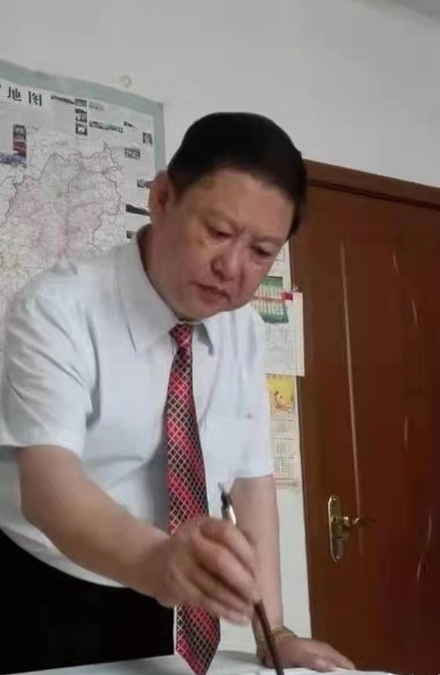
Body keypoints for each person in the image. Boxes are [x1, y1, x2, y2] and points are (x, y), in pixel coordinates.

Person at [0, 112, 354, 675]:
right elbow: (48, 489)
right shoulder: (58, 310)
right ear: (162, 198)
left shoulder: (241, 329)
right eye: (218, 232)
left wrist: (276, 632)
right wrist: (158, 560)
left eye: (262, 251)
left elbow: (250, 480)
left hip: (158, 594)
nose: (231, 268)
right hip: (39, 584)